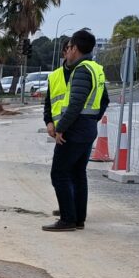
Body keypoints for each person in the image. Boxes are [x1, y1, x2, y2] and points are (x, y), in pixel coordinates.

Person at [42, 29, 109, 232]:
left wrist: (61, 128)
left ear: (76, 49)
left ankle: (68, 219)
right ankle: (78, 217)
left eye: (70, 47)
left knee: (60, 173)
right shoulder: (94, 68)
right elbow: (102, 101)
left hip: (75, 129)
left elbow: (76, 104)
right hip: (86, 128)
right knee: (78, 173)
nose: (68, 51)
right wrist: (91, 120)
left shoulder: (81, 70)